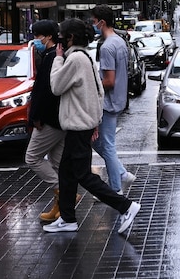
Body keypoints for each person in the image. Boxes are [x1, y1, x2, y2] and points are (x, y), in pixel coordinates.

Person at [45, 18, 140, 234]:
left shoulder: (75, 59)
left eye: (63, 35)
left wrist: (58, 60)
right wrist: (95, 120)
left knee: (82, 175)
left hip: (78, 126)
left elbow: (56, 86)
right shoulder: (85, 57)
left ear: (70, 37)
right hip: (81, 125)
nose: (60, 40)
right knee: (66, 173)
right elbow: (98, 92)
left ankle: (126, 206)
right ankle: (68, 218)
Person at [23, 20, 68, 222]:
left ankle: (63, 192)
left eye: (37, 36)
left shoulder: (53, 57)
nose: (35, 40)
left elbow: (46, 91)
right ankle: (61, 207)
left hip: (50, 119)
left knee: (32, 157)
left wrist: (36, 117)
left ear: (48, 36)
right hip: (58, 119)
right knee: (58, 163)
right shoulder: (53, 55)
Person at [89, 5, 136, 194]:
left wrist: (92, 86)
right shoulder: (119, 42)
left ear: (102, 22)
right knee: (97, 142)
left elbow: (108, 80)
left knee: (106, 145)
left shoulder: (107, 47)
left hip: (108, 102)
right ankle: (122, 173)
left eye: (94, 21)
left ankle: (116, 189)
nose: (93, 25)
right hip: (117, 99)